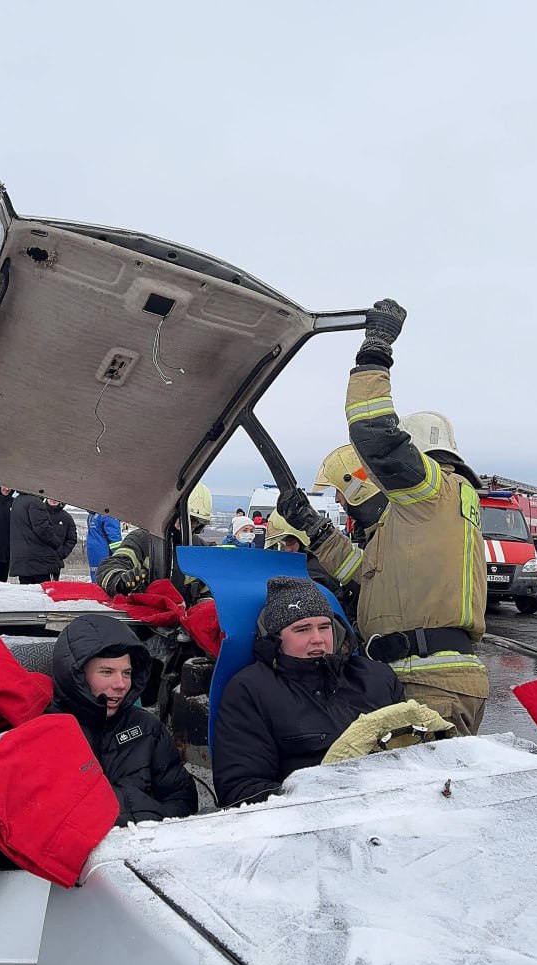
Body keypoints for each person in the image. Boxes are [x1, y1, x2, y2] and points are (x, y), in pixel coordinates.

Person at [279, 300, 488, 736]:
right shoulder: (426, 514)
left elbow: (373, 430)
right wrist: (315, 529)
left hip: (429, 682)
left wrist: (375, 351)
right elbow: (366, 573)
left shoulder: (433, 489)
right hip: (425, 675)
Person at [212, 576, 405, 808]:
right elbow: (239, 790)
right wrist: (330, 796)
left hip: (395, 809)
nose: (317, 639)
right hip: (309, 822)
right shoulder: (251, 690)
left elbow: (416, 751)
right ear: (276, 638)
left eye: (324, 627)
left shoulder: (378, 677)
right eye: (302, 630)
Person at [48, 612, 198, 824]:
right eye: (107, 672)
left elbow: (183, 798)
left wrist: (148, 826)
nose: (121, 684)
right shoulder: (46, 734)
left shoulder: (147, 728)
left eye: (127, 673)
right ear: (77, 676)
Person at [96, 481, 213, 603]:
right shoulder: (142, 540)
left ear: (200, 525)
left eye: (192, 521)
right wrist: (120, 581)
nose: (182, 525)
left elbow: (208, 593)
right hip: (144, 619)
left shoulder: (200, 550)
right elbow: (110, 567)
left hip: (184, 620)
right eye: (179, 517)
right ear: (168, 514)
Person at [9, 494, 77, 584]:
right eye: (50, 496)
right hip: (37, 562)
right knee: (35, 593)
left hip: (50, 561)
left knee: (45, 592)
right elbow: (42, 530)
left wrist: (61, 552)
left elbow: (72, 539)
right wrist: (57, 546)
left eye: (56, 497)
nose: (53, 499)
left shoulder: (66, 518)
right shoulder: (36, 507)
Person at [86, 510, 123, 582]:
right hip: (105, 553)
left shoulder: (92, 515)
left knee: (95, 578)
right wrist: (120, 555)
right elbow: (114, 537)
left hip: (93, 552)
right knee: (106, 579)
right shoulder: (109, 514)